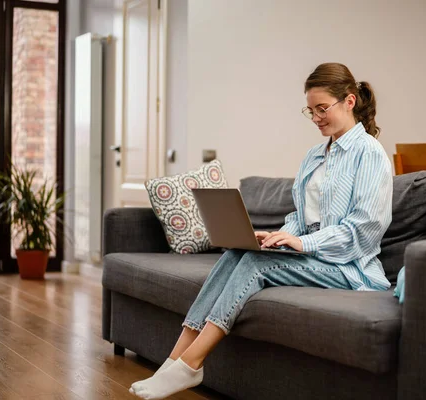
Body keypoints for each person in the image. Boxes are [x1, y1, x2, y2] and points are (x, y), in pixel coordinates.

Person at [129, 62, 393, 400]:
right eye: (310, 111)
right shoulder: (316, 155)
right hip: (312, 254)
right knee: (240, 252)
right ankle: (174, 359)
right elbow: (301, 213)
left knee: (257, 266)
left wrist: (302, 242)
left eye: (322, 109)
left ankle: (191, 365)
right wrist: (279, 236)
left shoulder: (370, 154)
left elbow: (365, 230)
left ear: (350, 101)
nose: (316, 118)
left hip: (349, 267)